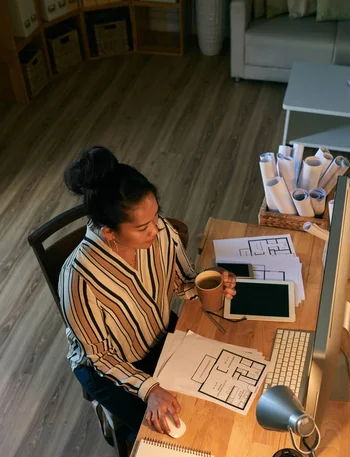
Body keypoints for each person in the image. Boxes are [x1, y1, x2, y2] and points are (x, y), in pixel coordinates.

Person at [58, 146, 236, 439]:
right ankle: (106, 410)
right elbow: (99, 355)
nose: (157, 230)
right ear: (109, 233)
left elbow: (182, 280)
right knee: (162, 435)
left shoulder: (160, 231)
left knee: (210, 406)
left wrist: (212, 282)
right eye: (143, 227)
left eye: (157, 216)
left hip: (159, 335)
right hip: (110, 367)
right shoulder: (79, 278)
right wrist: (149, 388)